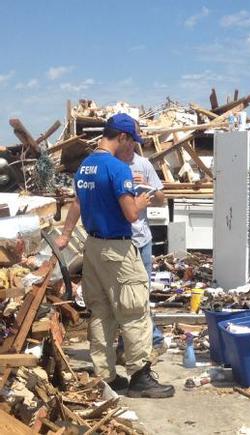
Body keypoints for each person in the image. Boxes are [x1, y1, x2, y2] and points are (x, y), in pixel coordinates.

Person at [56, 113, 174, 398]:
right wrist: (142, 199)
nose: (133, 148)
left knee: (101, 312)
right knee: (134, 311)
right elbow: (132, 214)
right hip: (117, 249)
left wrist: (66, 234)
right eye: (132, 142)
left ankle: (106, 375)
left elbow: (77, 204)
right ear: (121, 137)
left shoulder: (86, 167)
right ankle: (140, 377)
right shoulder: (118, 168)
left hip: (93, 248)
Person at [115, 145, 167, 360]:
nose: (129, 150)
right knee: (122, 296)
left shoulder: (143, 164)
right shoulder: (112, 165)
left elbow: (162, 198)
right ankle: (127, 343)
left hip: (141, 239)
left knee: (140, 294)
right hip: (119, 239)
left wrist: (145, 193)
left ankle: (152, 339)